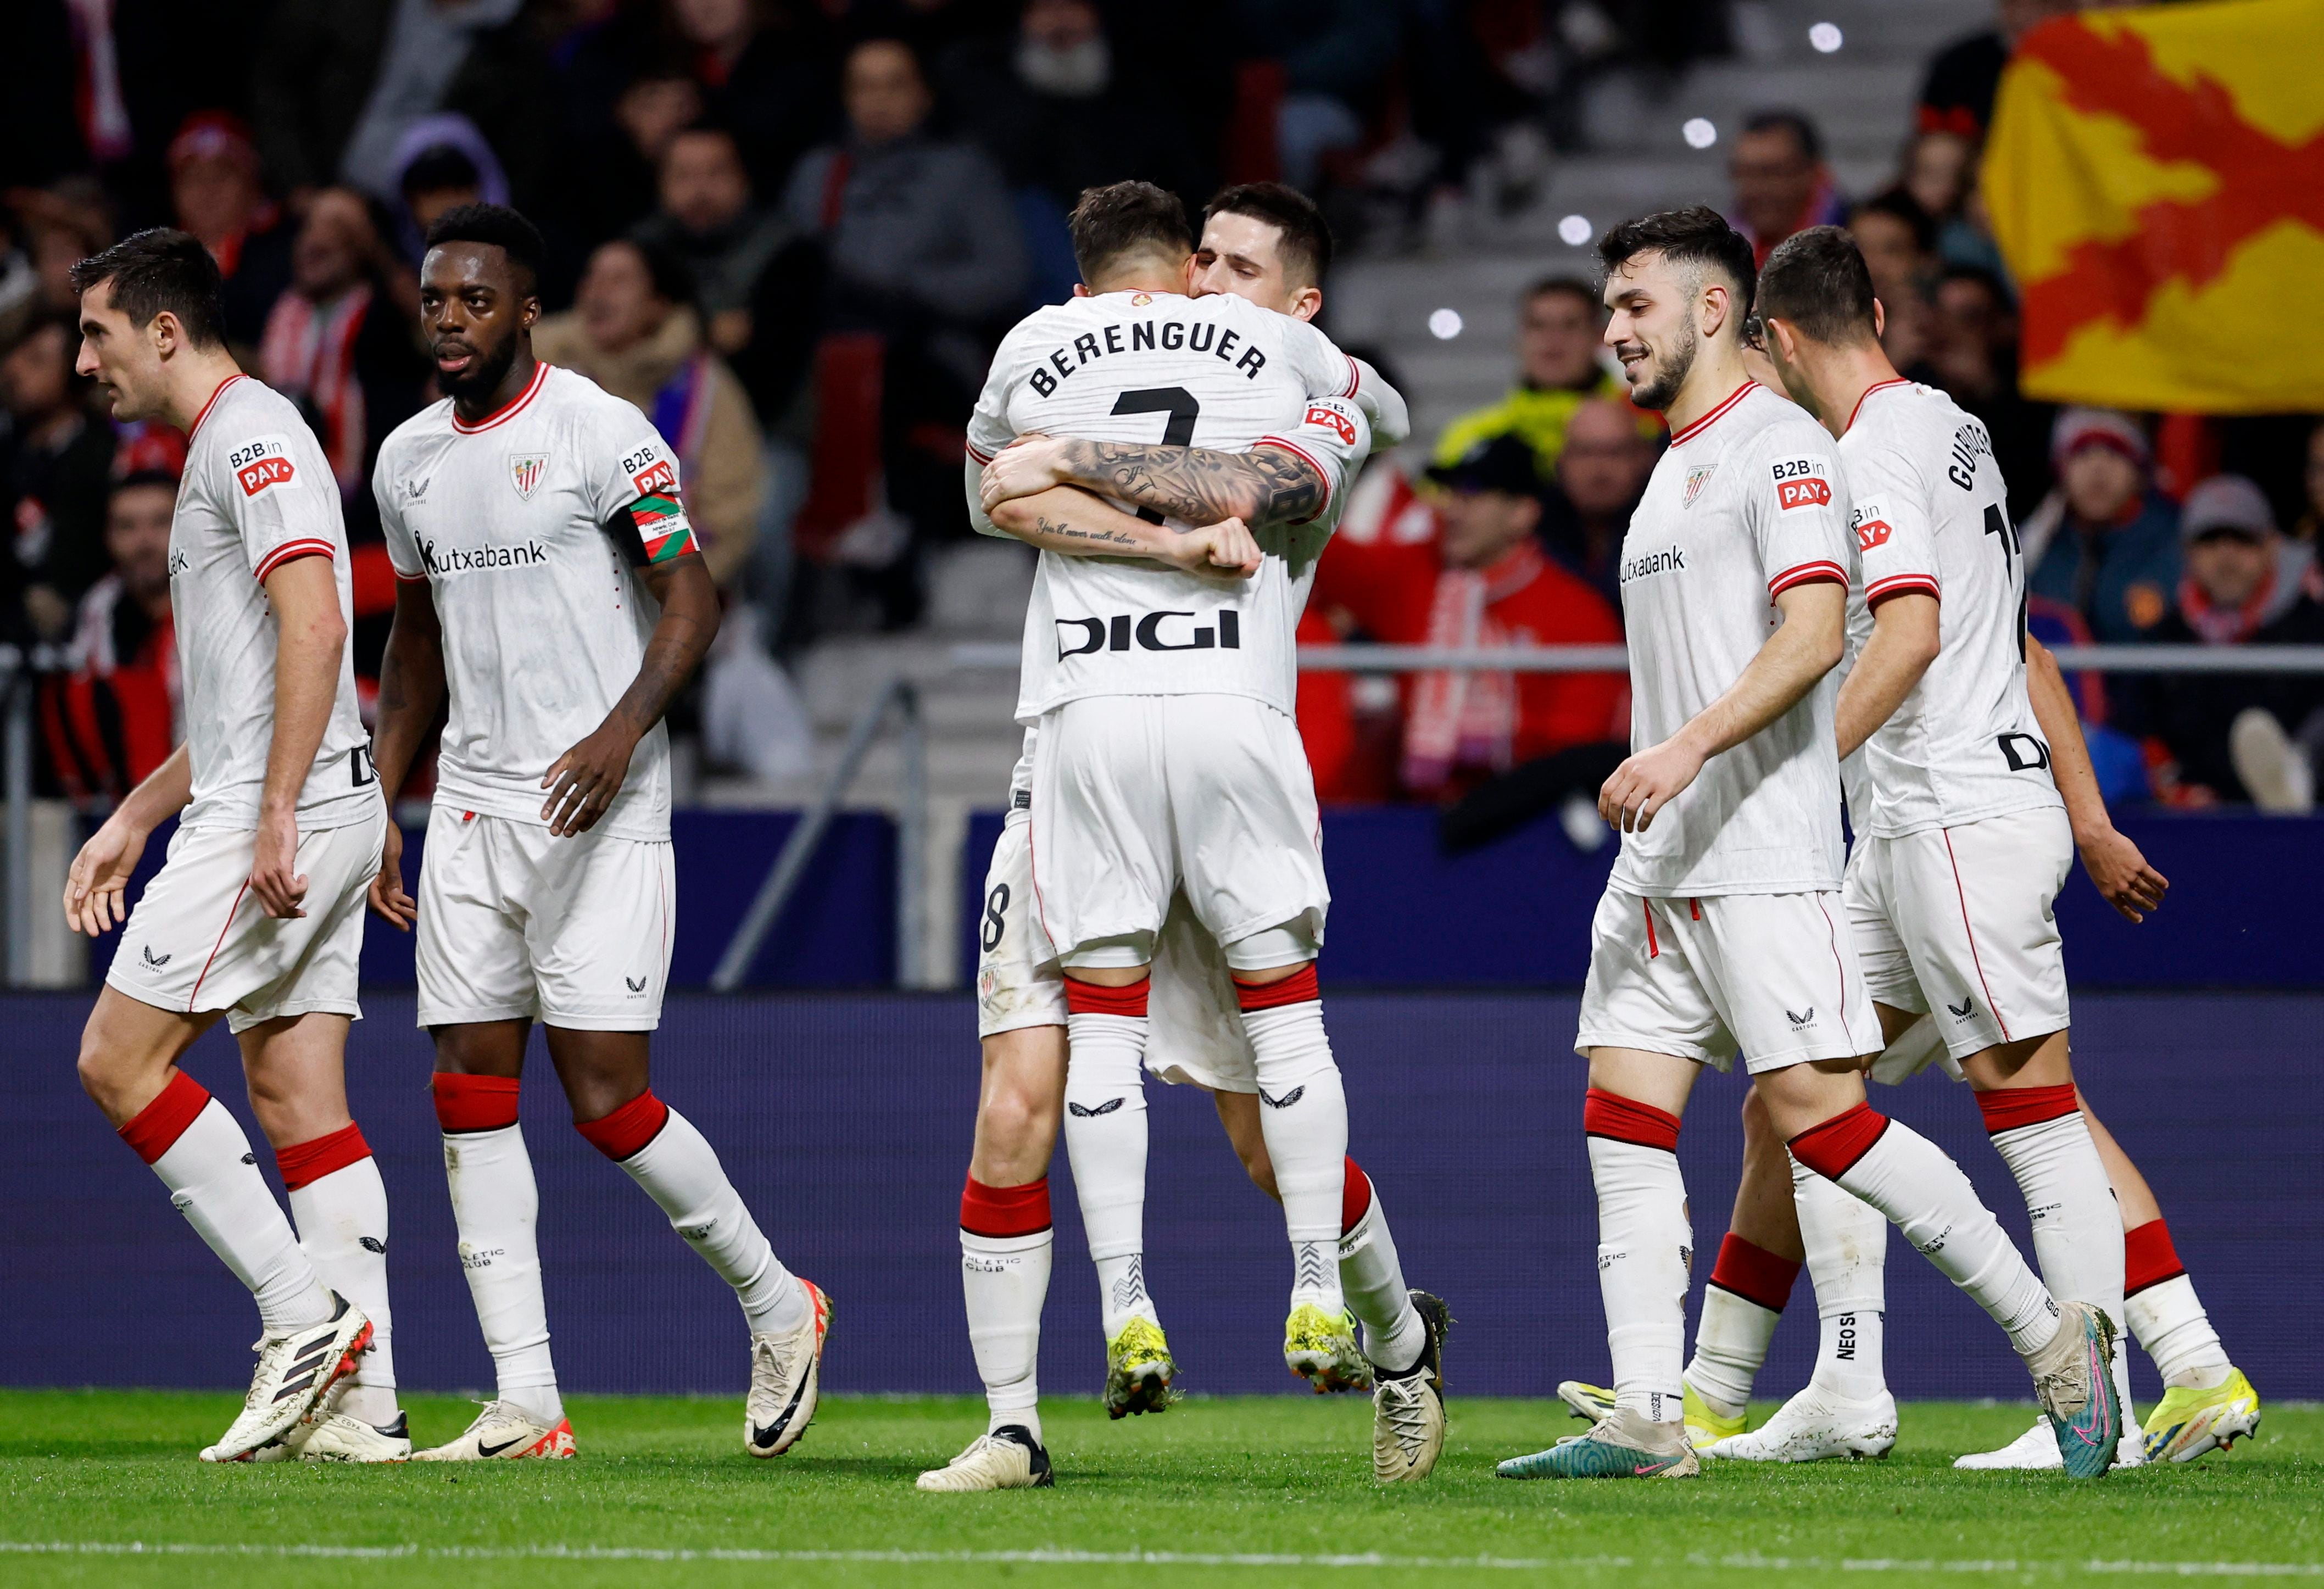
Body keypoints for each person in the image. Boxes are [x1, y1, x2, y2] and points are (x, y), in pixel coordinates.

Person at [1608, 225, 2253, 1474]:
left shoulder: (1861, 455)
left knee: (2030, 1105)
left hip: (1948, 818)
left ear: (1775, 342)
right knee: (1796, 1089)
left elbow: (1907, 636)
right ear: (1880, 321)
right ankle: (1806, 1388)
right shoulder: (1956, 428)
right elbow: (2019, 647)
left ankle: (2101, 1407)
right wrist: (2087, 815)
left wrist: (1785, 770)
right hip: (1926, 823)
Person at [1495, 208, 2119, 1483]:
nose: (1613, 331)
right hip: (1665, 860)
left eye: (1633, 306)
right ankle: (1651, 1414)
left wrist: (1685, 750)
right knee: (1621, 1116)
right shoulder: (1670, 464)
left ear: (1714, 311)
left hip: (1762, 852)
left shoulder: (1784, 451)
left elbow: (1817, 630)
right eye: (1607, 309)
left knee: (1822, 1123)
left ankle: (2056, 1345)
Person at [920, 181, 1447, 1493]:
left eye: (1238, 267)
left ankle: (1394, 1346)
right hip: (1061, 759)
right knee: (1009, 1106)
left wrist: (1063, 461)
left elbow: (1313, 449)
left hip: (1199, 739)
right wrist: (1164, 546)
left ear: (1304, 302)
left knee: (1263, 1142)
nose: (1205, 286)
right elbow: (994, 503)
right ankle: (1009, 1426)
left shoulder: (1312, 383)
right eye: (1196, 258)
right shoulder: (1225, 361)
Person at [365, 204, 828, 1463]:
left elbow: (693, 592)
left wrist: (624, 729)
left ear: (526, 310)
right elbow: (413, 649)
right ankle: (525, 1401)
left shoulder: (601, 434)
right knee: (466, 1088)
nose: (450, 321)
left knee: (606, 1099)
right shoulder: (405, 459)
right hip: (469, 805)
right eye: (435, 301)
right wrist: (382, 799)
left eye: (475, 300)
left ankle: (780, 1304)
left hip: (600, 805)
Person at [59, 228, 394, 1463]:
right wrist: (134, 816)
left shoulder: (250, 436)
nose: (81, 358)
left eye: (97, 332)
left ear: (160, 329)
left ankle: (303, 1320)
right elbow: (247, 691)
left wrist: (271, 810)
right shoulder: (232, 441)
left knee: (114, 1058)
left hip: (283, 813)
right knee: (299, 1097)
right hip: (296, 797)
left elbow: (317, 625)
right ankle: (364, 1408)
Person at [1305, 432, 1626, 799]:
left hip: (1534, 818)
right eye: (1453, 494)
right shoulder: (1416, 574)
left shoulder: (1577, 613)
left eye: (1473, 496)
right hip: (1421, 813)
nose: (1454, 511)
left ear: (1522, 513)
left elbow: (1578, 750)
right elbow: (1321, 550)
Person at [532, 238, 765, 589]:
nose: (598, 292)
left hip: (664, 590)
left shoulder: (704, 389)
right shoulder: (535, 361)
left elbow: (729, 520)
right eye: (592, 277)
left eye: (619, 280)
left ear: (659, 305)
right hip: (547, 576)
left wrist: (671, 599)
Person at [2139, 474, 2324, 811]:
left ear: (2271, 546)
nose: (2226, 555)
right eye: (2210, 540)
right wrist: (2169, 787)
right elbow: (2137, 730)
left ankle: (2298, 776)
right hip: (2193, 827)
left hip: (2306, 826)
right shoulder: (2162, 638)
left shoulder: (2312, 627)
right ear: (2187, 551)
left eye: (2243, 539)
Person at [45, 470, 182, 807]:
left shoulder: (228, 604)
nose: (145, 542)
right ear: (107, 537)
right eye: (127, 527)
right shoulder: (97, 610)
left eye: (160, 523)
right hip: (121, 810)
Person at [1431, 277, 1628, 486]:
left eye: (1570, 325)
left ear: (1601, 337)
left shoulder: (1642, 428)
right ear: (1519, 338)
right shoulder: (1467, 438)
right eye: (1538, 325)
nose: (1553, 339)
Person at [631, 125, 794, 360]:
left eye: (716, 173)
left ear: (745, 179)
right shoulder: (637, 250)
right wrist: (707, 331)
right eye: (683, 175)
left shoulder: (787, 253)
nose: (699, 191)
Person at [2, 311, 116, 643]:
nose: (14, 370)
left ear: (74, 374)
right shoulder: (9, 452)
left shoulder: (98, 459)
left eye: (36, 360)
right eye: (16, 354)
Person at [2020, 408, 2181, 643]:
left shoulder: (2175, 543)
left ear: (2139, 472)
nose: (2098, 469)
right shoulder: (2034, 545)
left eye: (2115, 453)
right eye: (2083, 453)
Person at [165, 113, 294, 351]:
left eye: (221, 176)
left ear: (252, 185)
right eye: (194, 178)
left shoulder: (287, 254)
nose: (208, 190)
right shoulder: (156, 261)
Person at [1539, 394, 1660, 608]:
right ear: (1561, 461)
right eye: (1584, 453)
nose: (1599, 470)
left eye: (1616, 453)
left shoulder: (1673, 534)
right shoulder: (1533, 541)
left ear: (1645, 459)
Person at [1726, 111, 1847, 266]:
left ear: (1814, 173)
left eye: (1772, 173)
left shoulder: (1859, 245)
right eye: (1744, 173)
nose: (1755, 188)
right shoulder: (1722, 255)